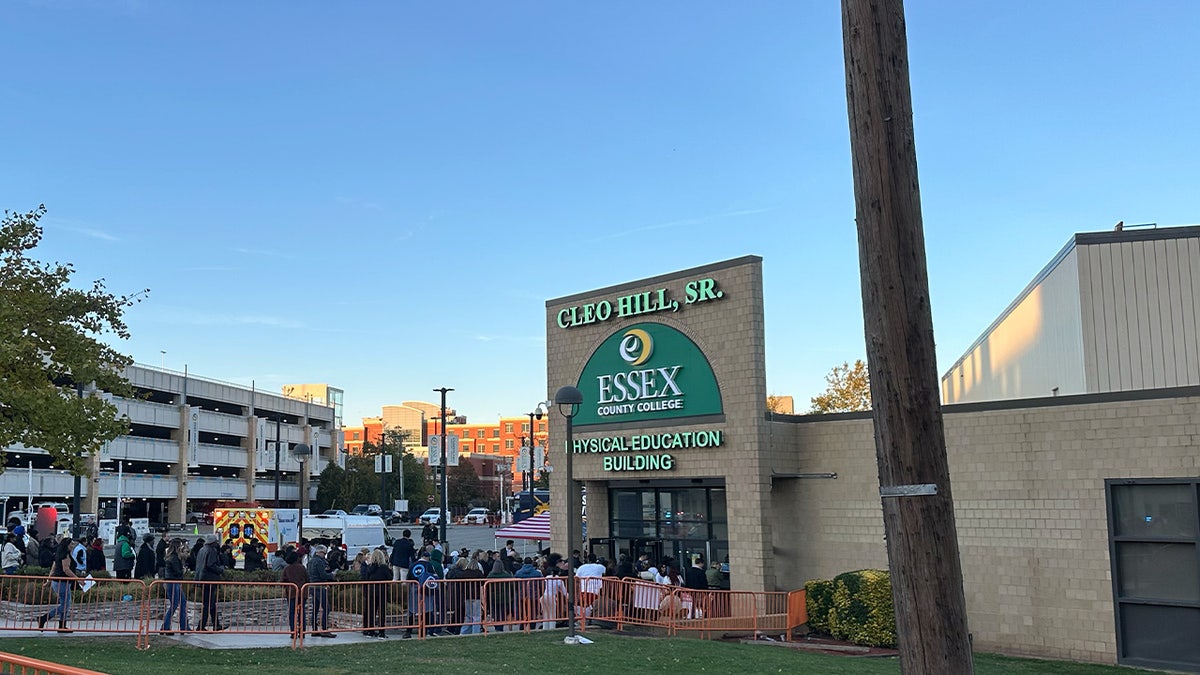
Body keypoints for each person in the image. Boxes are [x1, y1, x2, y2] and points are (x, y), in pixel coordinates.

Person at [38, 537, 80, 632]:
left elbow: (54, 568)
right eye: (71, 544)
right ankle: (44, 618)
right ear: (67, 545)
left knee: (64, 604)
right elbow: (66, 569)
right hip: (63, 583)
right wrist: (78, 579)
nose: (72, 546)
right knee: (65, 605)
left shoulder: (59, 554)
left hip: (59, 582)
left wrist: (48, 581)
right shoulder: (65, 555)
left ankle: (62, 625)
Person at [194, 533, 225, 631]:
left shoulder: (202, 550)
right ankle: (201, 626)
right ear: (213, 542)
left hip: (201, 579)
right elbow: (210, 565)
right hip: (209, 579)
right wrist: (221, 569)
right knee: (208, 604)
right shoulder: (212, 551)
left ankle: (216, 624)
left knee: (211, 603)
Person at [306, 545, 336, 638]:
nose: (325, 555)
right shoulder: (319, 561)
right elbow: (323, 575)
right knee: (326, 608)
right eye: (324, 553)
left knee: (315, 608)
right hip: (319, 586)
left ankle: (314, 629)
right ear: (320, 552)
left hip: (312, 586)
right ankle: (324, 629)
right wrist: (332, 575)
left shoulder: (311, 561)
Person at [161, 539, 190, 634]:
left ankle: (184, 626)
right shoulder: (173, 558)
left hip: (174, 582)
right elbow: (178, 571)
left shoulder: (173, 557)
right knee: (174, 604)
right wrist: (183, 570)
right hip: (173, 583)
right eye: (180, 546)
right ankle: (166, 626)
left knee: (182, 603)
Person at [362, 548, 391, 638]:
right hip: (381, 591)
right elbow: (390, 577)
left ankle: (370, 630)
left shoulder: (369, 568)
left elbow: (366, 579)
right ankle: (381, 632)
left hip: (371, 591)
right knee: (381, 612)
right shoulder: (384, 567)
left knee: (371, 611)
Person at [280, 550, 308, 638]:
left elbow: (282, 581)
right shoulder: (302, 568)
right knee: (301, 612)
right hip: (302, 593)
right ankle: (302, 631)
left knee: (292, 612)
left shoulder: (287, 569)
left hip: (291, 593)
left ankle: (293, 631)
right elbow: (308, 579)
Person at [455, 556, 485, 634]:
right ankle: (475, 632)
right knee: (476, 616)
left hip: (467, 596)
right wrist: (483, 599)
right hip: (476, 596)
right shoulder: (479, 573)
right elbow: (482, 585)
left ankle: (464, 632)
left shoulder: (464, 573)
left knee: (468, 616)